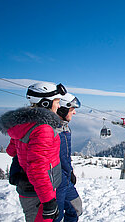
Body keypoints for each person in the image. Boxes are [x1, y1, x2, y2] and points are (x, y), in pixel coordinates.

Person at [0, 82, 67, 222]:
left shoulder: (24, 124)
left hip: (30, 188)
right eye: (57, 102)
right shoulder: (43, 128)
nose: (59, 106)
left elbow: (12, 150)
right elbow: (38, 167)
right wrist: (48, 201)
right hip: (39, 192)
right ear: (46, 103)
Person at [54, 93, 82, 222]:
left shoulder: (64, 127)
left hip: (66, 179)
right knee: (55, 216)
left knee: (76, 209)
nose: (74, 113)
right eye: (72, 110)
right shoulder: (50, 130)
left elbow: (64, 155)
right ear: (62, 109)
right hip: (56, 182)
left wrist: (70, 172)